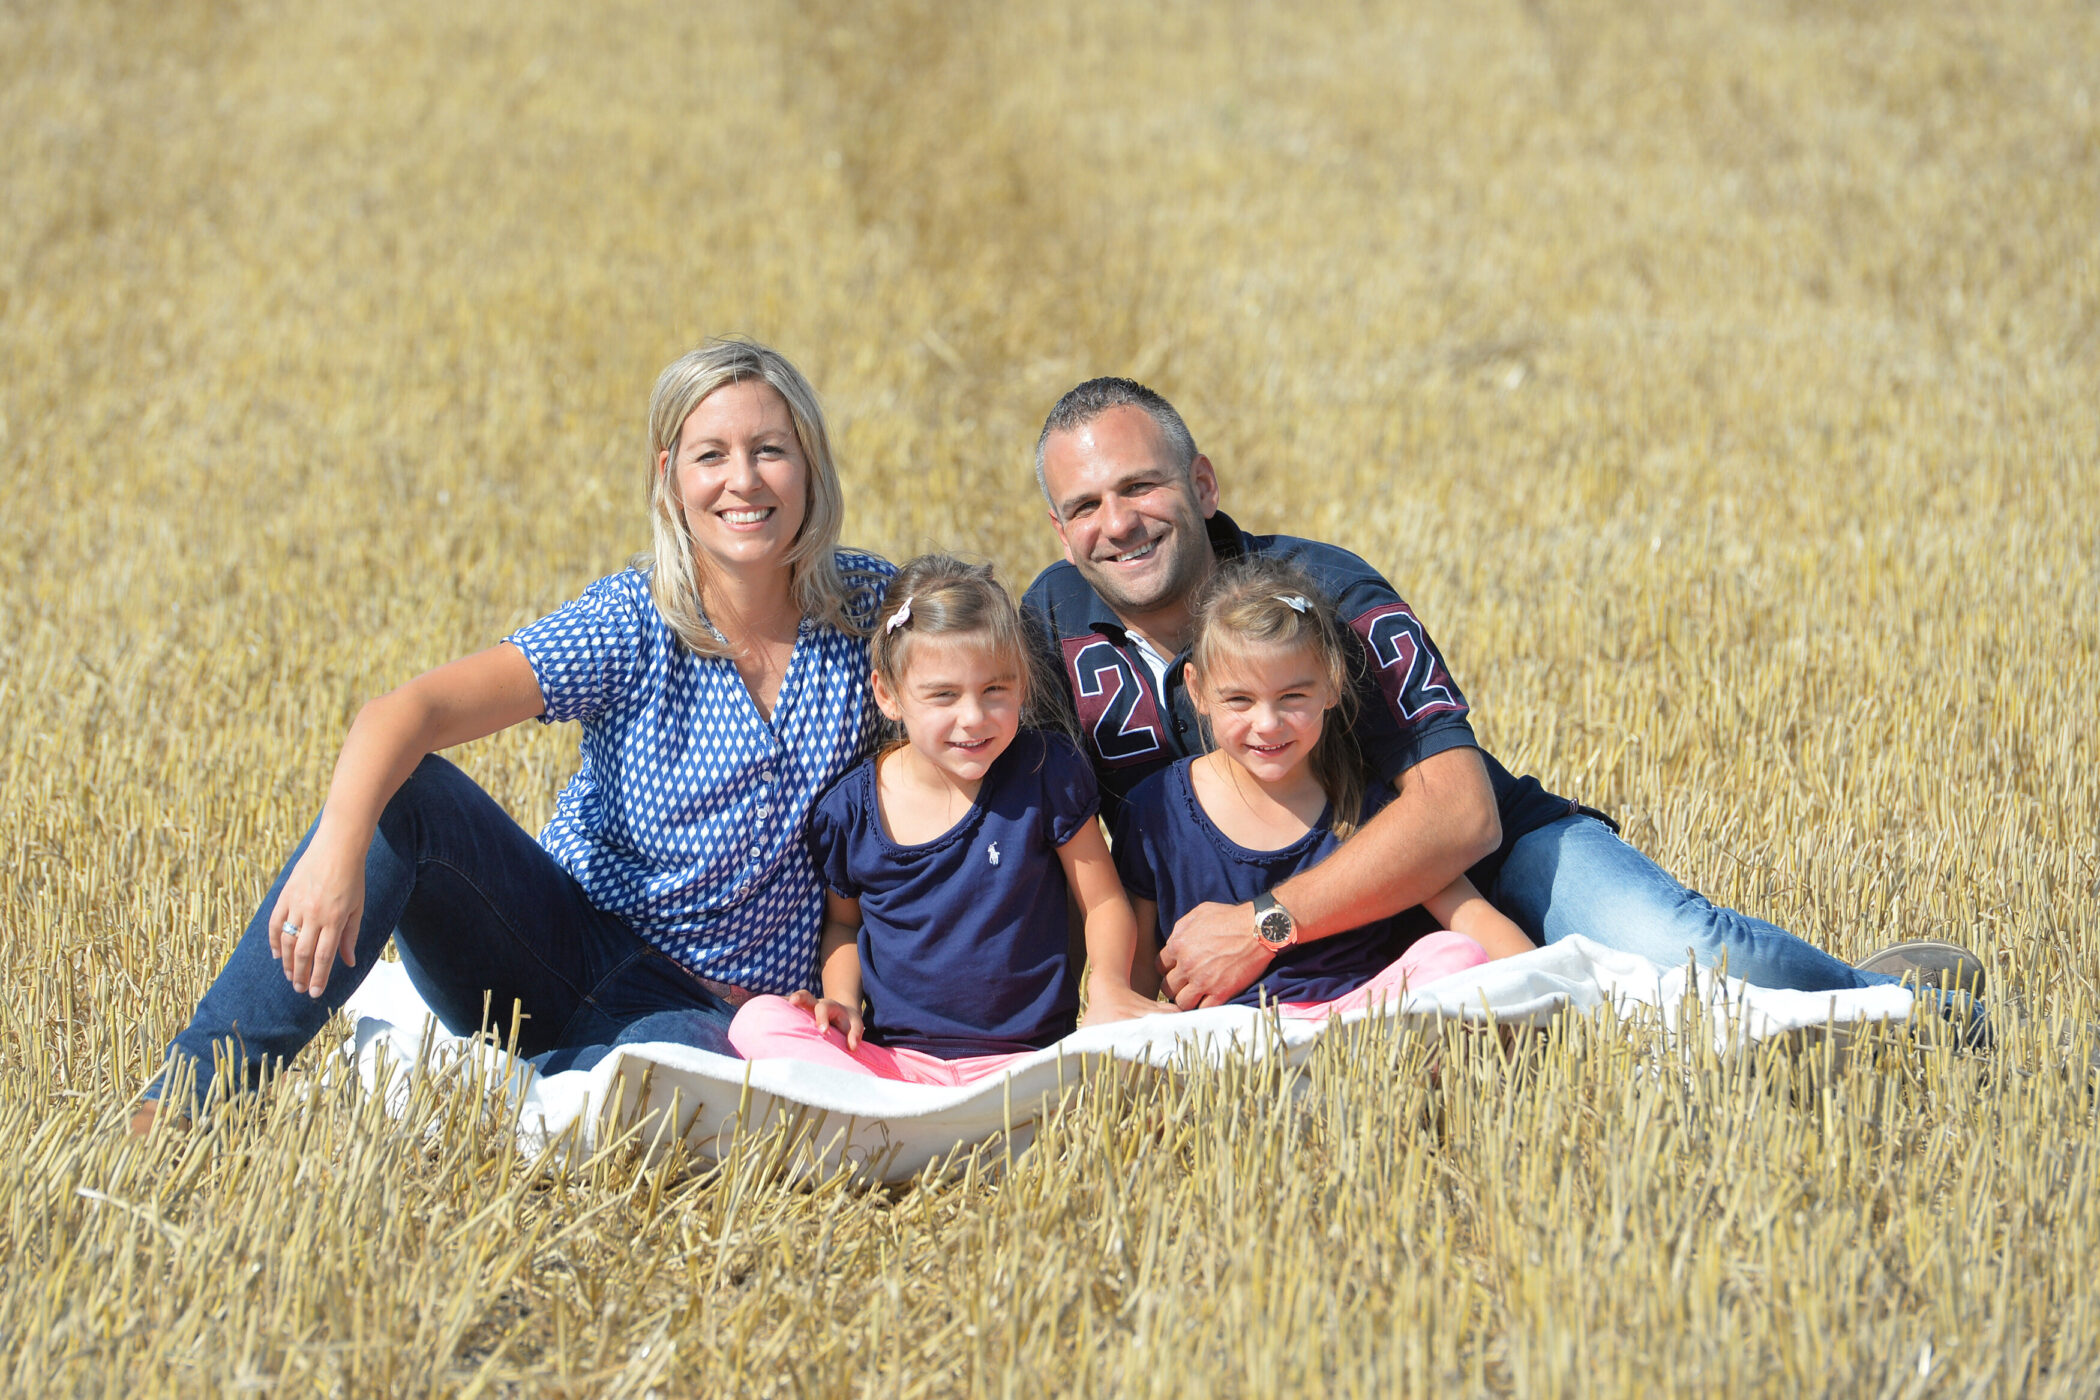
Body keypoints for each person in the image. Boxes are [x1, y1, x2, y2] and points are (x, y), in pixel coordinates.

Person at [1020, 376, 1984, 1012]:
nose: (1118, 523)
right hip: (1298, 948)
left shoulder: (1322, 592)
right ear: (1061, 531)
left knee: (1701, 963)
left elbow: (1461, 815)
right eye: (1086, 506)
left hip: (1480, 868)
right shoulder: (1051, 621)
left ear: (1202, 484)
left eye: (1141, 487)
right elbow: (1019, 825)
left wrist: (1265, 923)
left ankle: (1905, 1007)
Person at [132, 339, 894, 1130]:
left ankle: (505, 1090)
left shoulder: (870, 614)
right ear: (670, 474)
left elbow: (965, 724)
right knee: (409, 796)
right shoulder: (629, 619)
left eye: (769, 450)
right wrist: (335, 856)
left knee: (669, 1089)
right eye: (712, 455)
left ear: (810, 462)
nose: (744, 480)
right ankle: (183, 1101)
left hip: (707, 1013)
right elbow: (408, 713)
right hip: (551, 949)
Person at [727, 555, 1163, 1084]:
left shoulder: (1045, 773)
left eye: (995, 690)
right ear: (888, 695)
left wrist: (1110, 988)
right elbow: (844, 924)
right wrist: (841, 1001)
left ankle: (934, 1119)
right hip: (897, 1067)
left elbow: (1104, 902)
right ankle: (910, 1113)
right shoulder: (851, 811)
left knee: (1162, 1047)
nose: (973, 718)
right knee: (757, 1021)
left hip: (1029, 1065)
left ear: (1023, 683)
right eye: (944, 696)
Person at [1115, 556, 1532, 1017]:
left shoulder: (1368, 803)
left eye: (1292, 696)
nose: (1267, 723)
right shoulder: (1156, 811)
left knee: (1455, 954)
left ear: (1333, 683)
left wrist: (1550, 989)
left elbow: (1473, 919)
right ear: (1196, 689)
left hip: (1363, 1020)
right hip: (1236, 1032)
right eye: (1239, 699)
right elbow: (1138, 978)